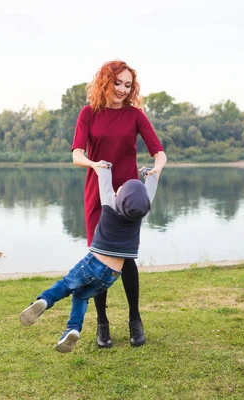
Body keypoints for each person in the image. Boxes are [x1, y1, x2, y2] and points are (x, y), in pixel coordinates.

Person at [71, 60, 167, 348]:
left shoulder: (135, 115)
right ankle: (102, 323)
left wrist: (156, 169)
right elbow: (77, 154)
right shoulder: (88, 114)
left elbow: (159, 152)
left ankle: (134, 319)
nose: (123, 89)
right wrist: (94, 164)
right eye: (118, 83)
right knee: (99, 257)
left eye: (128, 85)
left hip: (128, 197)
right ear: (105, 82)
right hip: (97, 194)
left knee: (126, 258)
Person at [19, 162, 160, 353]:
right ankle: (72, 329)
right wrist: (147, 173)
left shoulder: (110, 203)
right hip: (112, 275)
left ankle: (44, 300)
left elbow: (104, 176)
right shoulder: (141, 210)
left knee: (67, 285)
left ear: (119, 195)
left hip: (92, 264)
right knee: (80, 296)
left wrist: (105, 165)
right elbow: (151, 184)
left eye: (121, 188)